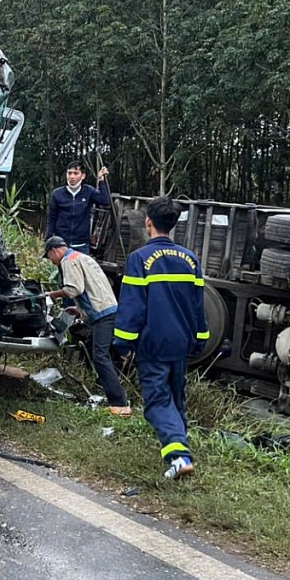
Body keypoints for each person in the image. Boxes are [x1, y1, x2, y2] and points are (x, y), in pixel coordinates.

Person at [112, 197, 209, 480]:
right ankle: (181, 449)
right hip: (181, 343)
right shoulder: (191, 259)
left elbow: (132, 307)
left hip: (153, 344)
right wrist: (199, 340)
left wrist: (122, 343)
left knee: (156, 402)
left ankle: (179, 457)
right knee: (175, 400)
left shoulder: (140, 259)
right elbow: (198, 306)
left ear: (148, 222)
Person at [43, 235, 131, 417]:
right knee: (97, 351)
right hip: (109, 309)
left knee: (100, 356)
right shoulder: (83, 258)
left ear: (54, 250)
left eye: (49, 257)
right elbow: (93, 288)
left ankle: (120, 403)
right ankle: (114, 392)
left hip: (102, 315)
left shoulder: (68, 261)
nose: (51, 262)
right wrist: (80, 310)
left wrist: (52, 294)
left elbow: (73, 289)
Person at [46, 160, 111, 254]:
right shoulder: (57, 194)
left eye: (75, 173)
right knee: (61, 269)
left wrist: (101, 180)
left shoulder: (89, 191)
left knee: (80, 269)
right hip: (61, 244)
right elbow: (51, 218)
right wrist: (48, 240)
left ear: (83, 176)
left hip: (82, 245)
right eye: (69, 173)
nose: (72, 176)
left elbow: (105, 201)